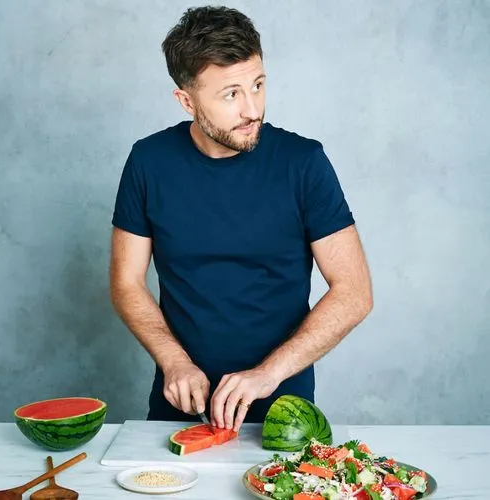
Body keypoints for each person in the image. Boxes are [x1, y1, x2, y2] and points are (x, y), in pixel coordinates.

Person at [110, 5, 373, 433]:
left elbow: (355, 292)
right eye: (231, 94)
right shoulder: (148, 161)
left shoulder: (304, 163)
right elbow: (126, 282)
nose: (252, 109)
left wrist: (268, 374)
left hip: (283, 413)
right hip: (179, 408)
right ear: (187, 100)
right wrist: (174, 361)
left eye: (258, 85)